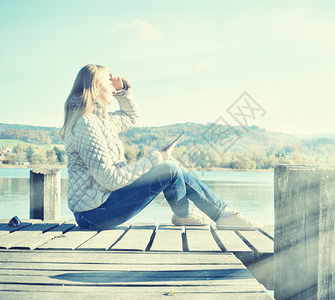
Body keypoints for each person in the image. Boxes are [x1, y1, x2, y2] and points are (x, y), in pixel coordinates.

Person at [60, 64, 263, 230]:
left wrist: (122, 92)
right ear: (96, 87)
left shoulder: (100, 120)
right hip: (94, 214)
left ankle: (193, 215)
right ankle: (218, 214)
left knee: (170, 164)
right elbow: (110, 179)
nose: (113, 88)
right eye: (109, 84)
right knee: (168, 167)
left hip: (102, 204)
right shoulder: (86, 124)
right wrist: (154, 159)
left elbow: (131, 117)